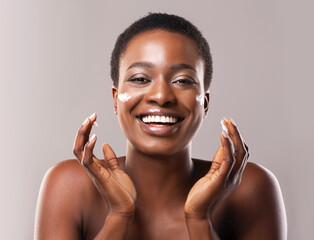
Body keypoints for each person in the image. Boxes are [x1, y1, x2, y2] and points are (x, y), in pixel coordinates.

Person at [34, 13, 287, 240]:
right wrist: (119, 217)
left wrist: (199, 219)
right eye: (141, 79)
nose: (161, 95)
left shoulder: (249, 189)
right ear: (115, 98)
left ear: (205, 103)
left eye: (182, 80)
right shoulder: (69, 187)